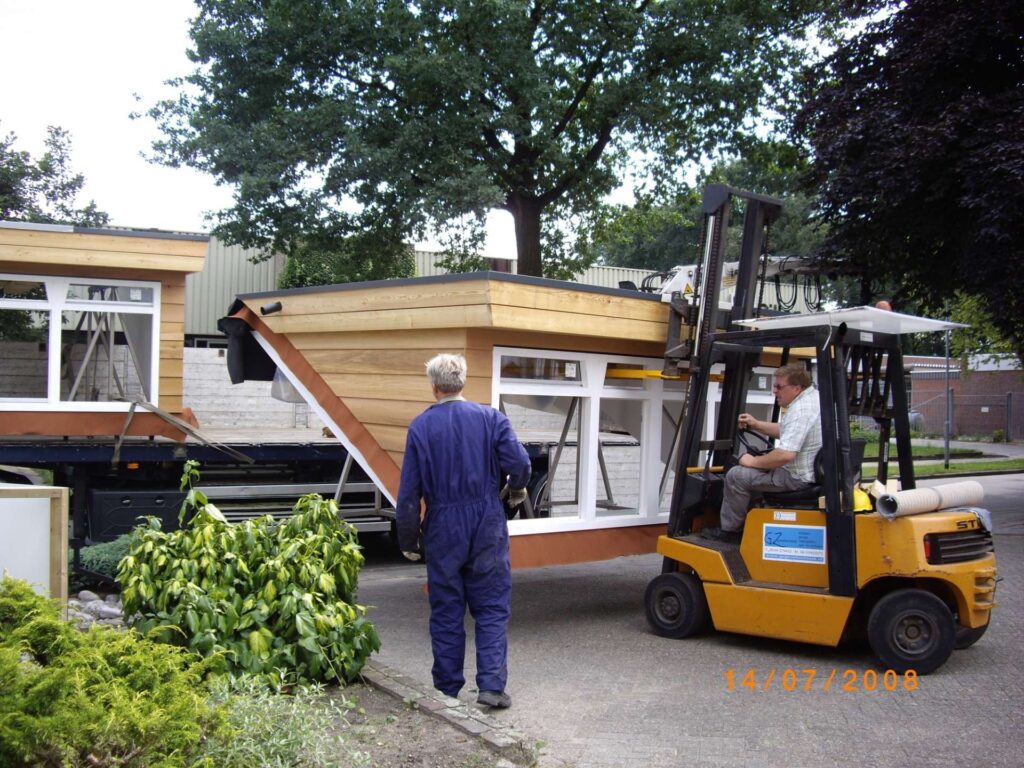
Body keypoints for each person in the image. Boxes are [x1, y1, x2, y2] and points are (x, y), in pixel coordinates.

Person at [395, 353, 531, 709]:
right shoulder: (491, 418)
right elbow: (519, 463)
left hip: (443, 526)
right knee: (491, 605)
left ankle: (446, 689)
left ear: (434, 387)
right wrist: (516, 487)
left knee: (446, 608)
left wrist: (408, 538)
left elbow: (409, 492)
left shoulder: (421, 427)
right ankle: (491, 687)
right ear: (462, 382)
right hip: (487, 522)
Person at [702, 363, 822, 544]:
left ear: (796, 388)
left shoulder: (800, 410)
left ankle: (730, 532)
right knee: (755, 472)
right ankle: (752, 525)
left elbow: (785, 455)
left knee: (736, 475)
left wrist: (752, 461)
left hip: (796, 478)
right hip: (811, 473)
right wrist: (756, 424)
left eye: (779, 387)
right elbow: (787, 431)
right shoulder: (814, 399)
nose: (774, 391)